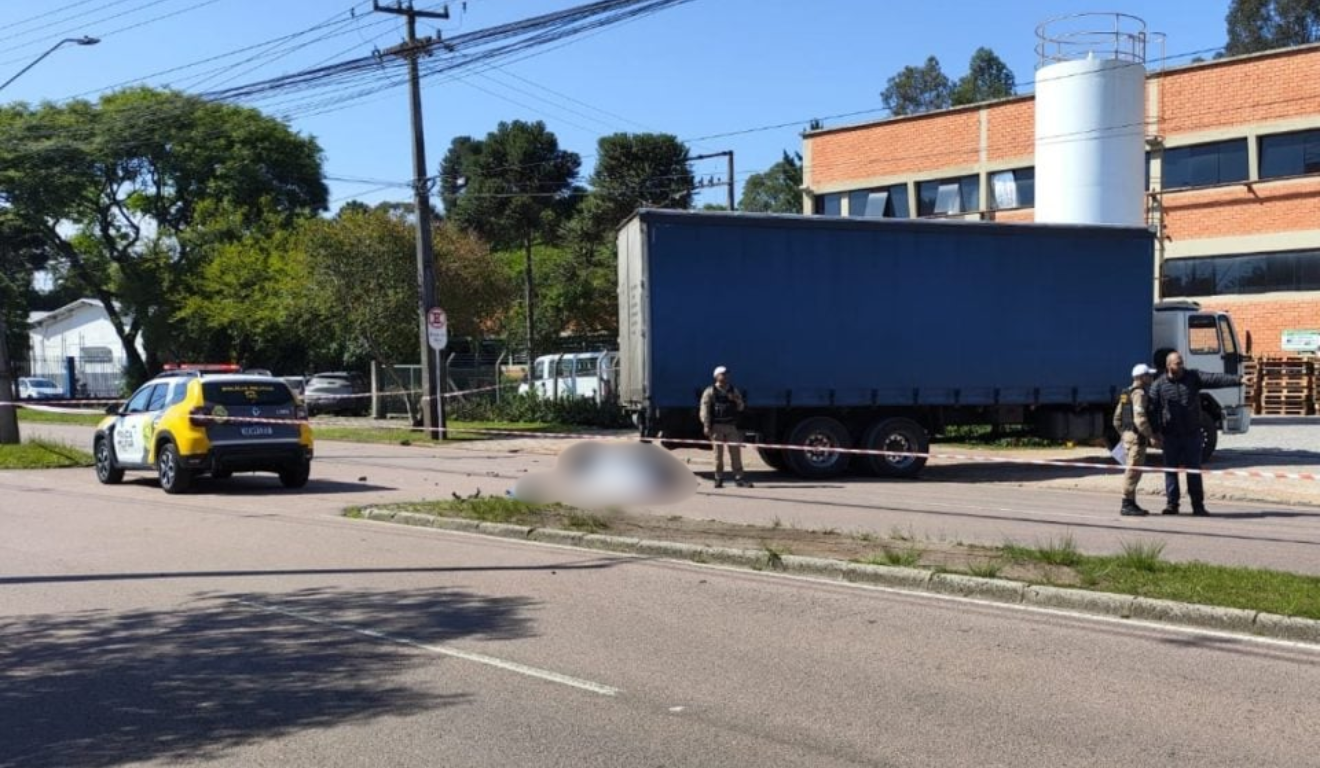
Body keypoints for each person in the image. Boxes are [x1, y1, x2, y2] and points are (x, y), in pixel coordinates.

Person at [1147, 351, 1242, 516]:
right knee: (1170, 471)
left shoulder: (1193, 377)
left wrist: (1238, 380)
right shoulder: (1159, 385)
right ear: (1169, 366)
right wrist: (1155, 432)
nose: (1181, 366)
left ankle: (1198, 506)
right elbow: (1151, 409)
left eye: (1182, 363)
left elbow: (1215, 379)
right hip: (1170, 436)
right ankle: (1172, 505)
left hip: (1192, 434)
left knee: (1194, 471)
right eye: (1177, 363)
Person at [1113, 363, 1159, 517]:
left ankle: (1131, 503)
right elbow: (1140, 419)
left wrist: (1124, 434)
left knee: (1132, 469)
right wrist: (1150, 436)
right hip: (1137, 438)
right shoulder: (1139, 394)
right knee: (1133, 471)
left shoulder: (1126, 392)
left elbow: (1117, 419)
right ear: (1141, 377)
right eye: (1148, 375)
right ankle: (1126, 504)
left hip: (1128, 437)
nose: (1151, 378)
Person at [700, 365, 751, 488]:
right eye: (722, 374)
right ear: (716, 376)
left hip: (731, 426)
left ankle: (739, 478)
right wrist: (706, 425)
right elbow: (704, 409)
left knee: (735, 453)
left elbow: (741, 407)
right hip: (716, 426)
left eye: (727, 374)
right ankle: (718, 478)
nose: (725, 376)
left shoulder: (733, 390)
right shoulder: (710, 391)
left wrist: (735, 399)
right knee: (718, 455)